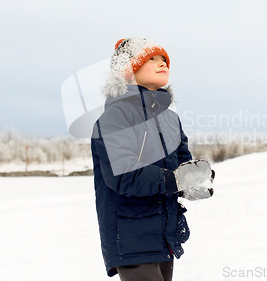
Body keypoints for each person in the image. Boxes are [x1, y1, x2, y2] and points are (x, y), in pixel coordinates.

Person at [91, 38, 215, 280]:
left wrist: (194, 180)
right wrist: (176, 180)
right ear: (129, 70)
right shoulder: (116, 116)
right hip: (130, 232)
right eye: (152, 59)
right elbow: (123, 175)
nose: (162, 64)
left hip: (164, 231)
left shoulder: (169, 119)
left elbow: (181, 165)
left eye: (164, 60)